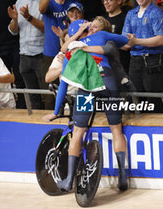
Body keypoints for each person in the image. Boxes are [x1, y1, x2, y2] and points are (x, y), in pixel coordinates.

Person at [45, 19, 131, 192]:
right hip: (107, 82)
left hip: (87, 88)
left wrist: (55, 112)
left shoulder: (72, 52)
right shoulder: (101, 35)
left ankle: (69, 180)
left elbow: (63, 85)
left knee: (78, 132)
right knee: (116, 130)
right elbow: (124, 40)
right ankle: (123, 177)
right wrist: (107, 40)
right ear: (87, 30)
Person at [38, 0, 87, 109]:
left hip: (71, 54)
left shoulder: (72, 1)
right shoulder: (48, 1)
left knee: (72, 91)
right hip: (51, 54)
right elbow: (41, 9)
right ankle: (51, 122)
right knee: (49, 95)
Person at [122, 0, 163, 113]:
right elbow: (125, 40)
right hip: (134, 61)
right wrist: (125, 43)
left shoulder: (157, 13)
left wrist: (135, 41)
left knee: (155, 102)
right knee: (134, 101)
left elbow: (160, 40)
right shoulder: (131, 14)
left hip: (153, 61)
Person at [8, 0, 45, 109]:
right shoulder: (20, 2)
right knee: (32, 96)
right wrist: (14, 20)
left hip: (41, 55)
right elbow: (13, 31)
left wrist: (29, 17)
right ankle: (36, 126)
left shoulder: (47, 1)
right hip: (24, 55)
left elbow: (47, 29)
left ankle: (50, 126)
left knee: (47, 96)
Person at [102, 0, 131, 74]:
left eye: (109, 0)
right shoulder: (102, 20)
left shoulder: (127, 18)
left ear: (119, 1)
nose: (106, 3)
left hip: (123, 65)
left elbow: (128, 44)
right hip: (106, 66)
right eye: (104, 0)